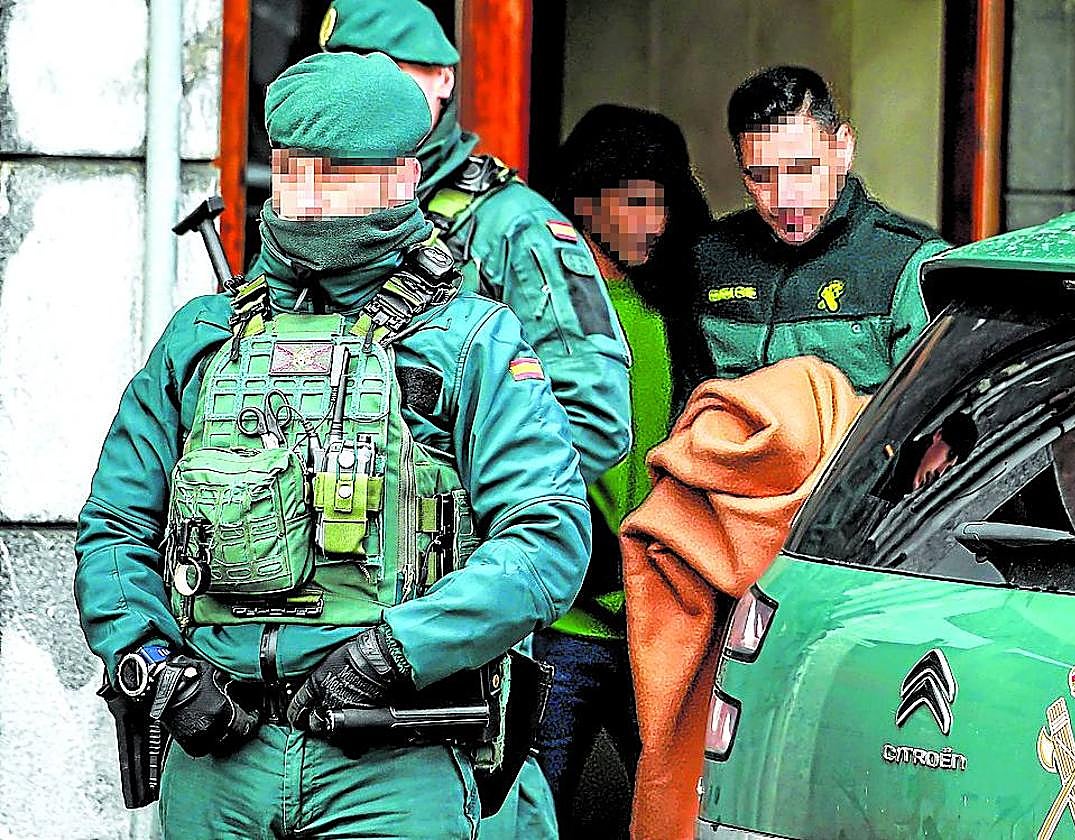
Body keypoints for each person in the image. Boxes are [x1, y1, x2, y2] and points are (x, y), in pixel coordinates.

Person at [74, 51, 589, 840]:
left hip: (395, 766)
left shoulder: (468, 341)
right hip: (220, 761)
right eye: (290, 172)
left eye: (336, 174)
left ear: (400, 177)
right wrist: (158, 665)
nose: (308, 200)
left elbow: (547, 538)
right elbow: (115, 527)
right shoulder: (201, 338)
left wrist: (396, 651)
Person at [317, 6, 632, 836]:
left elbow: (597, 419)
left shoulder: (512, 228)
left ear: (442, 81)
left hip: (450, 618)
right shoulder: (318, 219)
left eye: (386, 72)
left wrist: (441, 495)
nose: (362, 94)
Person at [535, 103, 711, 831]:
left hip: (656, 619)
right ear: (583, 201)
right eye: (632, 200)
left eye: (660, 201)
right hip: (561, 626)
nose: (652, 220)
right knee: (528, 812)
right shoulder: (541, 309)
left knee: (675, 813)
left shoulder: (668, 305)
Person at [687, 65, 950, 398]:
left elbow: (931, 415)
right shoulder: (710, 258)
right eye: (761, 176)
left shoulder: (909, 265)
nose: (784, 198)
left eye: (801, 168)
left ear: (843, 148)